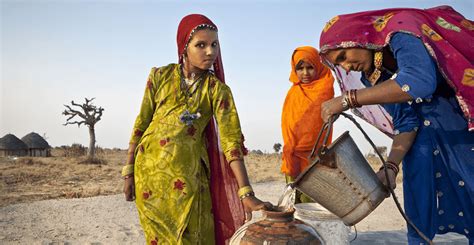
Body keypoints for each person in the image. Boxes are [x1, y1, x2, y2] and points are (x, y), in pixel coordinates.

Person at [318, 6, 473, 244]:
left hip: (461, 138)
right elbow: (406, 122)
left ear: (356, 37)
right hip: (422, 151)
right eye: (339, 65)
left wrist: (348, 99)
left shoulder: (402, 30)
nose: (347, 66)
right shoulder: (370, 77)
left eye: (343, 56)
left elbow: (419, 81)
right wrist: (390, 167)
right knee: (419, 219)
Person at [121, 14, 271, 244]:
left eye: (214, 45)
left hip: (189, 181)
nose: (210, 52)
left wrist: (246, 193)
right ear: (184, 47)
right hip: (149, 181)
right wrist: (129, 171)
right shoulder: (159, 76)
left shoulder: (217, 91)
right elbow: (141, 124)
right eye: (200, 45)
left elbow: (231, 143)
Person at [280, 46, 334, 203]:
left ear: (318, 65)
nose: (305, 73)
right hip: (293, 155)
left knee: (311, 207)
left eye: (310, 67)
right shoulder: (293, 93)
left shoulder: (325, 88)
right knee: (292, 205)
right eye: (300, 68)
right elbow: (288, 123)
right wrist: (290, 148)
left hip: (315, 158)